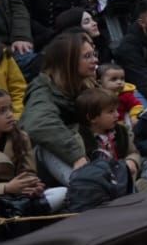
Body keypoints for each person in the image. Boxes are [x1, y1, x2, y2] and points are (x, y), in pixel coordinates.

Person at [19, 32, 99, 183]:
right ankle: (85, 186)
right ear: (67, 62)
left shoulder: (86, 85)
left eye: (94, 54)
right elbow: (38, 124)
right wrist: (76, 155)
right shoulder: (43, 90)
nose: (95, 60)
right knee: (50, 145)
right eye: (87, 56)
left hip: (87, 159)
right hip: (40, 168)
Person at [76, 87, 145, 191]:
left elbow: (133, 152)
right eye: (111, 111)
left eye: (117, 110)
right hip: (102, 182)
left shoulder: (121, 131)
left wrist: (131, 161)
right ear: (92, 118)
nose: (117, 115)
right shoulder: (82, 138)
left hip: (125, 175)